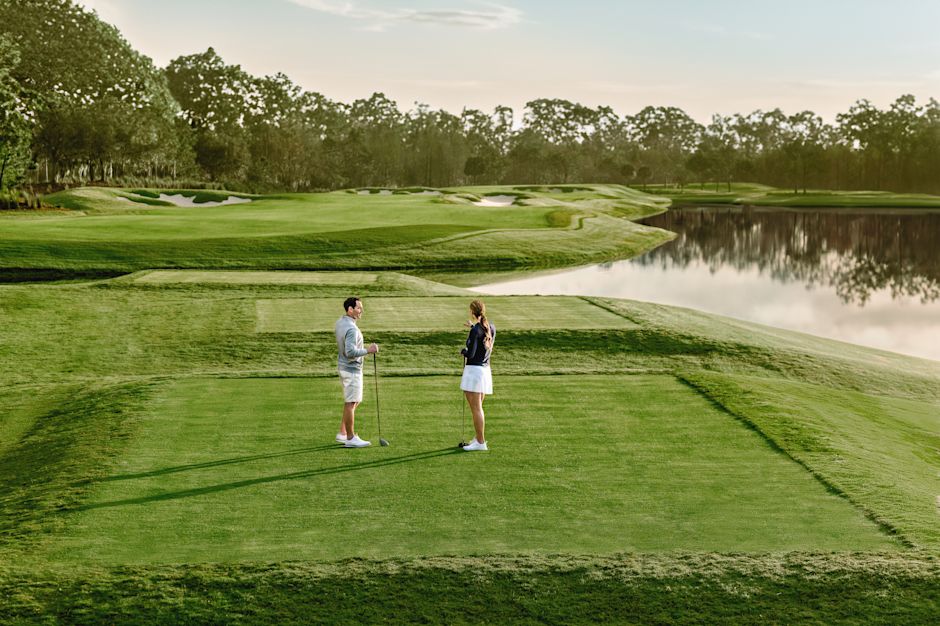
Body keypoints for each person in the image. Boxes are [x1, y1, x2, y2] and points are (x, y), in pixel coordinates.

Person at [334, 297, 378, 448]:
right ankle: (350, 438)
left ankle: (343, 433)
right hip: (351, 369)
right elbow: (350, 352)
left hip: (344, 367)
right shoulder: (352, 329)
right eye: (358, 308)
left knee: (354, 401)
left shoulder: (341, 322)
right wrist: (368, 350)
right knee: (351, 402)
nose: (361, 311)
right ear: (350, 309)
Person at [459, 299, 495, 451]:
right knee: (478, 408)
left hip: (474, 372)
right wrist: (473, 327)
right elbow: (483, 341)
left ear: (472, 312)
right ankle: (478, 438)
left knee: (476, 409)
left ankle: (480, 442)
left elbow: (471, 353)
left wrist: (463, 351)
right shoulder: (491, 327)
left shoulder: (475, 331)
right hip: (485, 371)